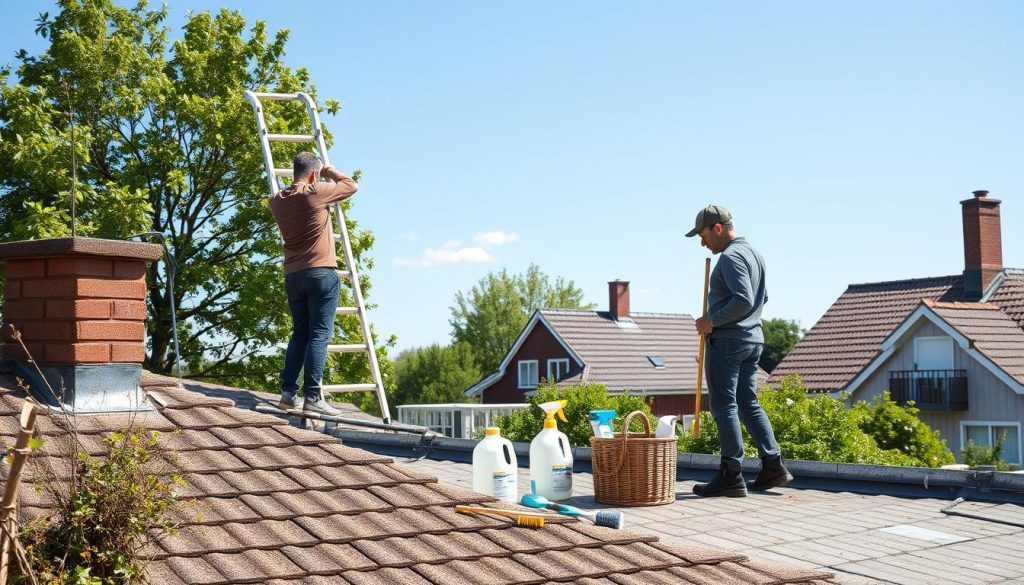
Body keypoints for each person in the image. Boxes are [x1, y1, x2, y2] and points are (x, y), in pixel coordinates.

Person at [685, 204, 792, 497]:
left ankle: (731, 474)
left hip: (729, 341)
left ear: (718, 228)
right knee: (748, 402)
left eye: (703, 234)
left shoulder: (731, 258)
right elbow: (762, 297)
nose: (702, 242)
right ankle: (773, 464)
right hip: (753, 339)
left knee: (724, 405)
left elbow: (743, 300)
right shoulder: (754, 254)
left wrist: (711, 320)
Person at [269, 151, 358, 416]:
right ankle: (313, 397)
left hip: (293, 276)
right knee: (320, 334)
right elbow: (352, 185)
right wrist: (330, 170)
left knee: (300, 333)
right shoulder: (316, 192)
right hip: (321, 274)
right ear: (314, 174)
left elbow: (291, 193)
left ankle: (287, 393)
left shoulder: (277, 201)